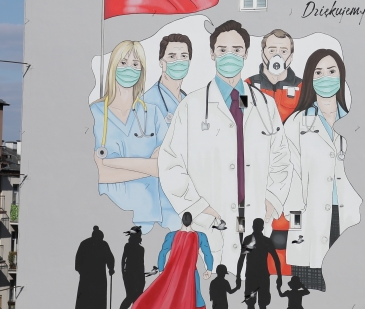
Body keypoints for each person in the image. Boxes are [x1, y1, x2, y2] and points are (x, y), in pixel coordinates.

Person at [158, 20, 292, 273]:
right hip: (211, 218)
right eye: (222, 50)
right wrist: (198, 207)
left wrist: (272, 200)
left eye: (236, 50)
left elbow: (281, 158)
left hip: (254, 217)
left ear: (246, 54)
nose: (229, 56)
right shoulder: (192, 106)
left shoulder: (263, 106)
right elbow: (170, 162)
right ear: (212, 54)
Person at [284, 49, 362, 292]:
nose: (325, 77)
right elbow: (288, 173)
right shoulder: (297, 123)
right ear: (309, 78)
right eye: (318, 72)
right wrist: (296, 219)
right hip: (310, 219)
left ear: (341, 76)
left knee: (346, 287)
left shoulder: (354, 121)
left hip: (348, 215)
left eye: (331, 71)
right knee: (311, 291)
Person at [91, 40, 171, 233]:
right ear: (113, 67)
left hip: (147, 217)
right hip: (106, 214)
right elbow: (97, 174)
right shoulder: (94, 113)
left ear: (142, 71)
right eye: (123, 63)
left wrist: (111, 163)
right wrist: (149, 167)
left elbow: (166, 167)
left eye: (136, 64)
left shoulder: (152, 114)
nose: (130, 69)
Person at [245, 29, 302, 278]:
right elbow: (241, 122)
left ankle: (284, 281)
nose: (277, 55)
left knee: (285, 236)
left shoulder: (302, 89)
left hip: (291, 176)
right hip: (257, 172)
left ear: (290, 56)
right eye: (272, 50)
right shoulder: (248, 87)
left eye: (283, 51)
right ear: (263, 53)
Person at [132, 211, 213, 309]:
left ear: (182, 221)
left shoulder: (172, 235)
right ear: (191, 221)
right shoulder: (200, 236)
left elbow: (163, 252)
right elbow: (207, 253)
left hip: (175, 272)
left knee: (170, 298)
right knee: (195, 298)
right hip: (188, 272)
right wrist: (209, 269)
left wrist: (161, 269)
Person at [235, 218, 282, 309]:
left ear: (253, 226)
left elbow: (241, 259)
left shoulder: (253, 240)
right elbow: (276, 260)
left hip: (253, 277)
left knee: (256, 304)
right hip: (260, 277)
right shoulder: (264, 241)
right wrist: (279, 278)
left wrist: (238, 277)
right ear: (261, 227)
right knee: (260, 305)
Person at [143, 33, 192, 125]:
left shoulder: (187, 100)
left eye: (184, 56)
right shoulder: (147, 101)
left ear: (189, 62)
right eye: (172, 56)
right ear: (161, 62)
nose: (178, 61)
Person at [75, 226, 115, 309]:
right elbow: (78, 261)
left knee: (92, 305)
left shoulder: (98, 244)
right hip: (92, 278)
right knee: (90, 305)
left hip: (93, 278)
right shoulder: (92, 244)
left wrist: (111, 268)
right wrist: (110, 268)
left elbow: (109, 258)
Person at [113, 226, 145, 309]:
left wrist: (142, 281)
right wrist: (124, 275)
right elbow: (123, 261)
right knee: (130, 299)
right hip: (130, 277)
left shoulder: (142, 249)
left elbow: (141, 266)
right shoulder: (128, 246)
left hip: (138, 278)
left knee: (136, 303)